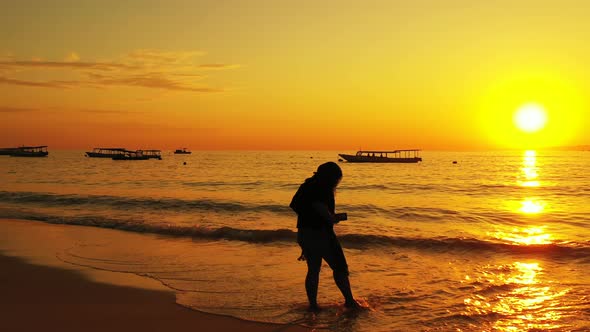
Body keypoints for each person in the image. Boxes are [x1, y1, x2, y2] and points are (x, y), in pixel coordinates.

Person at [289, 162, 359, 312]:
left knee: (313, 270)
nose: (337, 183)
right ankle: (349, 301)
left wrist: (309, 218)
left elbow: (294, 205)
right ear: (331, 178)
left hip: (305, 232)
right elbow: (319, 206)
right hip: (321, 233)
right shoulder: (322, 188)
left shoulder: (307, 186)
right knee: (340, 267)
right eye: (337, 179)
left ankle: (313, 305)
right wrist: (331, 218)